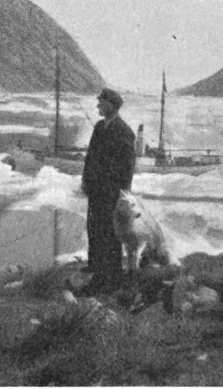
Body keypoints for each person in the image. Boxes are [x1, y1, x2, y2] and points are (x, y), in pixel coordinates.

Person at [81, 88, 136, 293]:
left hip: (111, 193)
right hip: (96, 189)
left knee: (110, 234)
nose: (97, 106)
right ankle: (96, 268)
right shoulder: (99, 127)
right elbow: (90, 157)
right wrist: (86, 181)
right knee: (94, 228)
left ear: (111, 105)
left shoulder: (124, 132)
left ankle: (110, 277)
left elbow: (127, 167)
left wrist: (122, 194)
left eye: (100, 103)